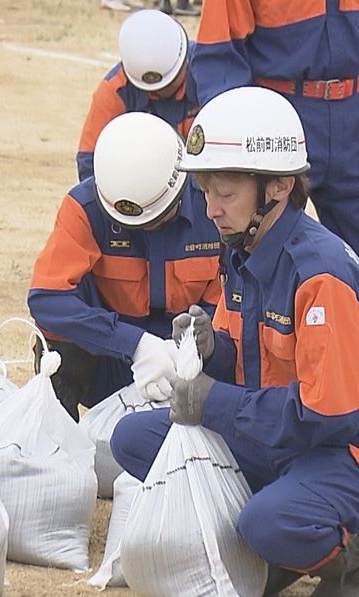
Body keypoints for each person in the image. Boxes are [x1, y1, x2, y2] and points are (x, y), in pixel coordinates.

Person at [109, 88, 359, 597]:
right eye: (205, 189)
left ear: (279, 187)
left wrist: (214, 401)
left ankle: (348, 560)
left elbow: (329, 415)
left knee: (269, 521)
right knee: (136, 440)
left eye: (226, 191)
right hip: (297, 437)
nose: (210, 207)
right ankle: (277, 544)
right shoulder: (244, 247)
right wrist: (215, 348)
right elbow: (258, 364)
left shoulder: (321, 275)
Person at [189, 0, 359, 293]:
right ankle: (264, 333)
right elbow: (220, 48)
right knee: (261, 248)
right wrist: (236, 130)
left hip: (356, 117)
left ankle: (348, 332)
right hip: (275, 115)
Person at [29, 113, 222, 421]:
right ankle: (59, 449)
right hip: (110, 357)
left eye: (157, 219)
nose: (147, 230)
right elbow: (47, 300)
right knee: (56, 345)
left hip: (191, 362)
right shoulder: (85, 208)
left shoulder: (215, 207)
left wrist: (193, 348)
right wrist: (135, 345)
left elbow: (239, 296)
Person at [77, 10, 201, 181]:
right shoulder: (116, 90)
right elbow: (89, 161)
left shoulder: (208, 72)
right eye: (155, 89)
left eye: (170, 83)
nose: (163, 92)